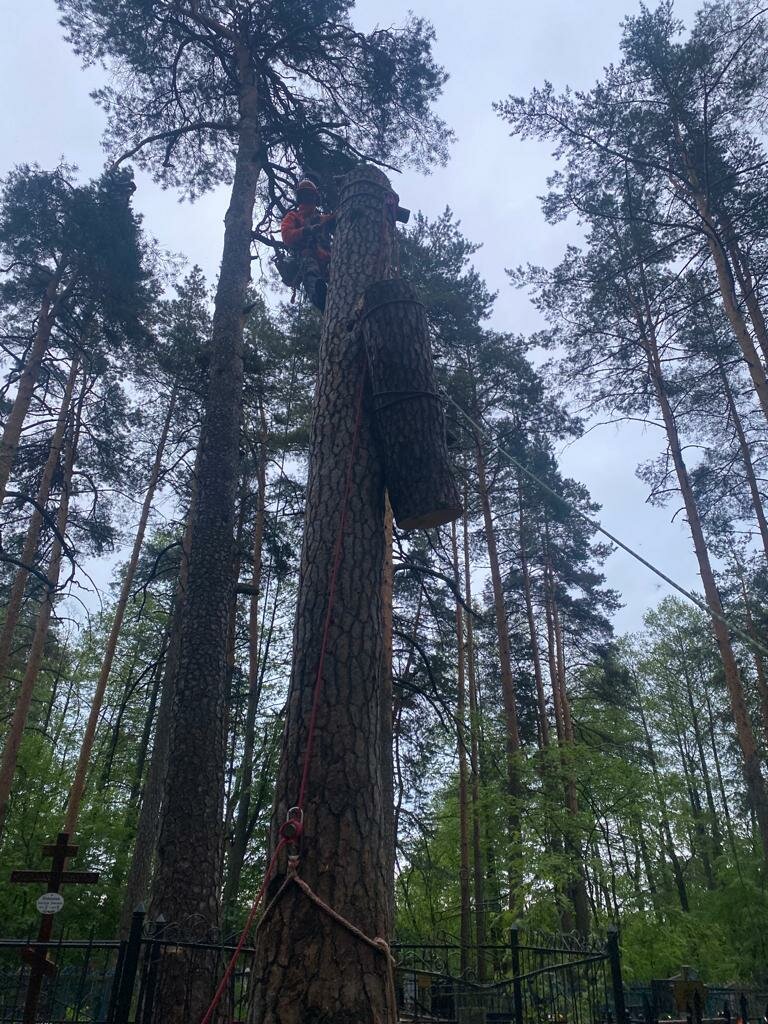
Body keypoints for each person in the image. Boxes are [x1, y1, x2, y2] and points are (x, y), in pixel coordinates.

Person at [280, 179, 335, 311]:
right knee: (311, 270)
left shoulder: (323, 219)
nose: (308, 199)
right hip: (307, 256)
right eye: (305, 196)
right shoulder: (293, 216)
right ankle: (318, 297)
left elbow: (338, 219)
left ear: (316, 198)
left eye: (311, 196)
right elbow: (286, 236)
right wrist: (305, 231)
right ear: (300, 198)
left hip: (328, 259)